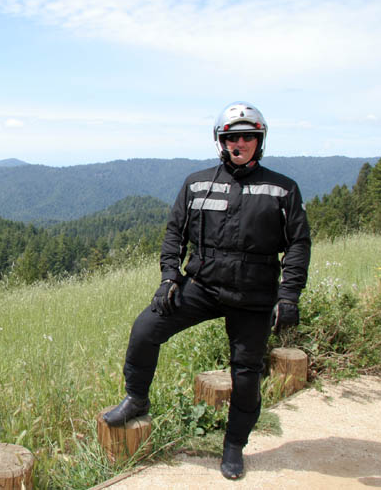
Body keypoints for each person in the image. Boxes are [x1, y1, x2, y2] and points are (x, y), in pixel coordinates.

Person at [103, 101, 311, 480]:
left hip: (255, 296)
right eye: (232, 136)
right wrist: (169, 277)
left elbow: (298, 244)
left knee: (245, 373)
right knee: (145, 330)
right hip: (202, 286)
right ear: (221, 141)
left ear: (259, 140)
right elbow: (174, 233)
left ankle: (234, 446)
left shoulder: (283, 189)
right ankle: (136, 398)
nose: (240, 143)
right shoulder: (197, 183)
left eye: (248, 136)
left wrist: (289, 294)